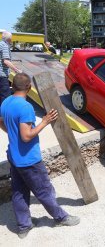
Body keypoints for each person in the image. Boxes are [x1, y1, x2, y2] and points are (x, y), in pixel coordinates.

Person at [0, 73, 80, 239]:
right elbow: (26, 136)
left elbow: (1, 122)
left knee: (19, 192)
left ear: (13, 86)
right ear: (29, 88)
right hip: (29, 160)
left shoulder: (6, 102)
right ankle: (61, 217)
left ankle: (23, 226)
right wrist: (45, 121)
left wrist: (12, 133)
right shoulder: (25, 107)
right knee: (44, 191)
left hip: (14, 157)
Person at [0, 31, 21, 105]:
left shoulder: (0, 44)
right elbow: (6, 61)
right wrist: (16, 70)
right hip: (2, 75)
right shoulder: (5, 46)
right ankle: (4, 115)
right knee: (5, 96)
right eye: (11, 38)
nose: (11, 40)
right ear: (9, 39)